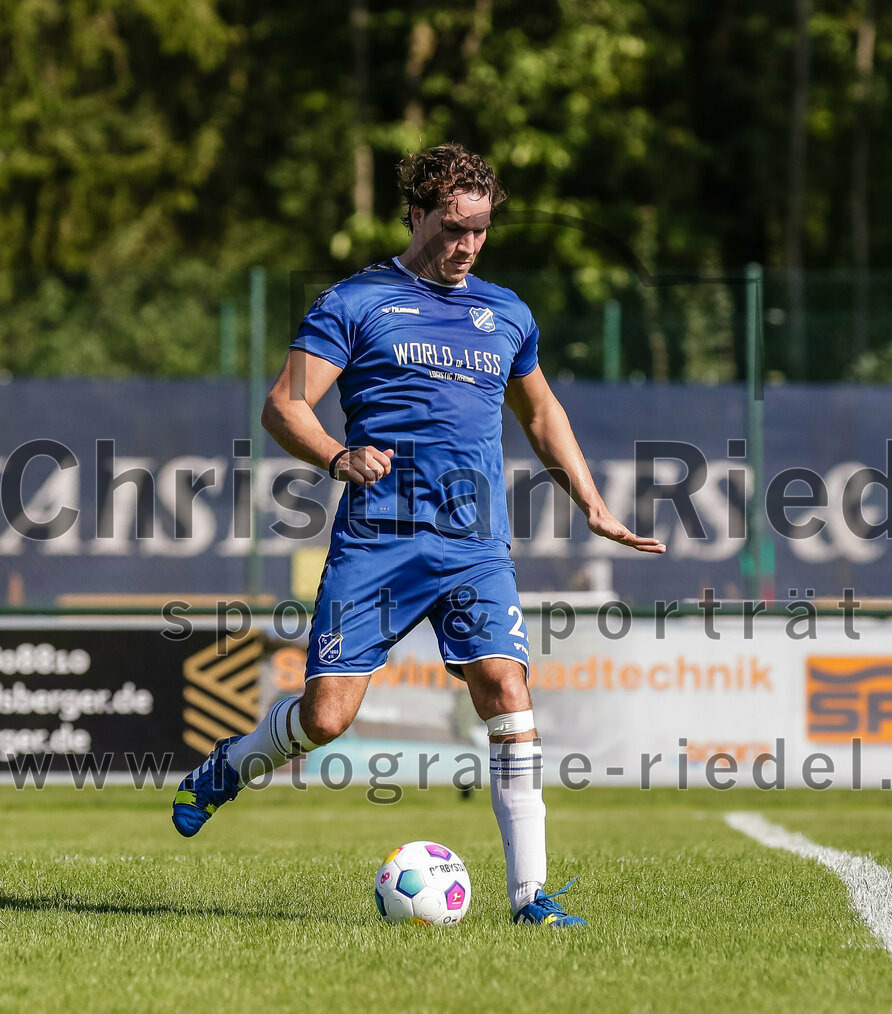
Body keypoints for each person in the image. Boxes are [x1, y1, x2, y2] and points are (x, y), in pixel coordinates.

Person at [171, 143, 665, 927]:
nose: (467, 244)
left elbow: (539, 414)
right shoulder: (356, 301)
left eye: (480, 230)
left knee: (507, 690)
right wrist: (337, 454)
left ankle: (530, 896)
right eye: (453, 227)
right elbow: (284, 406)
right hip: (380, 540)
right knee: (327, 718)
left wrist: (593, 504)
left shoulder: (506, 312)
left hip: (473, 542)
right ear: (417, 215)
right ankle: (230, 767)